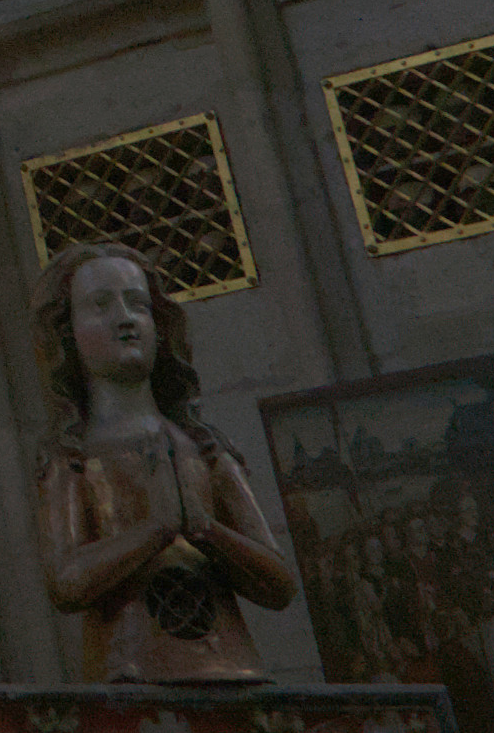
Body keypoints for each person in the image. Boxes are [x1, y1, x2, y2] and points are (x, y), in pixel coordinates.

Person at [31, 243, 298, 685]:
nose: (125, 318)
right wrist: (156, 529)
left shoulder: (202, 446)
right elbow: (66, 582)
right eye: (101, 306)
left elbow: (279, 583)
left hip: (232, 670)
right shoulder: (71, 456)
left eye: (138, 305)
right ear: (67, 333)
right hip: (127, 672)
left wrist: (206, 530)